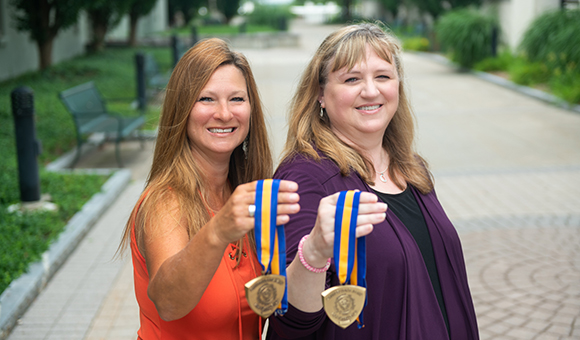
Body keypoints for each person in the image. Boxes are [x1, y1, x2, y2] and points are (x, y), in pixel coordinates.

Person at [267, 23, 479, 339]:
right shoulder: (304, 178)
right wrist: (313, 252)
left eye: (383, 76)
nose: (371, 90)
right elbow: (288, 316)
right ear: (320, 95)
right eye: (352, 79)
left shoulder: (411, 168)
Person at [118, 38, 300, 340]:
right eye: (206, 99)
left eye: (237, 99)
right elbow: (168, 303)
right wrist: (218, 231)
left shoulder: (245, 192)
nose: (225, 113)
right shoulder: (165, 201)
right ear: (182, 109)